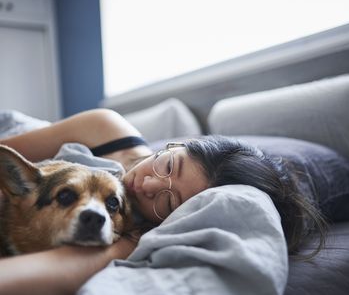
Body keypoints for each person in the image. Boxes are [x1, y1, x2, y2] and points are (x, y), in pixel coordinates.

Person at [0, 108, 326, 294]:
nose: (147, 184)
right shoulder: (105, 127)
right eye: (169, 164)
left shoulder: (137, 230)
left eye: (168, 203)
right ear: (176, 145)